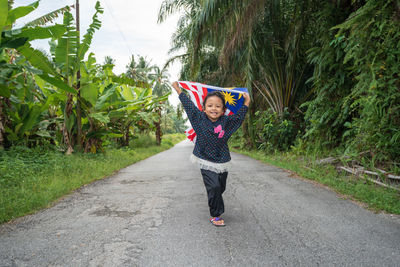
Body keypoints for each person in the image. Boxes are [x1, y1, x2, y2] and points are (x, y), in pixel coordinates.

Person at [172, 81, 251, 227]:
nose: (213, 108)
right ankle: (216, 215)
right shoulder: (198, 118)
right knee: (214, 187)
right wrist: (178, 90)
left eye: (217, 106)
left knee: (220, 187)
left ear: (223, 110)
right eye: (210, 105)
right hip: (204, 159)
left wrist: (246, 102)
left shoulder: (227, 121)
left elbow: (239, 118)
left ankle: (215, 199)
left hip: (222, 159)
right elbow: (188, 105)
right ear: (204, 108)